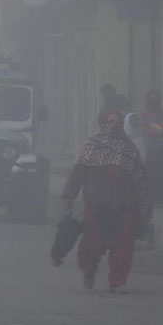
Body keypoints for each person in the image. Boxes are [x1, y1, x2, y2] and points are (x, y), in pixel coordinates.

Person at [62, 111, 146, 293]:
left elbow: (139, 180)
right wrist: (69, 196)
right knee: (91, 245)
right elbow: (78, 173)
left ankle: (117, 282)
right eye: (110, 122)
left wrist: (142, 207)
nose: (113, 126)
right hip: (97, 206)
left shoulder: (130, 149)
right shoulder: (91, 146)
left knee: (123, 247)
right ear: (102, 123)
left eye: (116, 122)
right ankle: (89, 271)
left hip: (124, 207)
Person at [141, 89, 163, 209]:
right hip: (149, 149)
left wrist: (158, 130)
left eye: (155, 98)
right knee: (150, 174)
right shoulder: (143, 115)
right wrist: (156, 130)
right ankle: (151, 198)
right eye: (151, 98)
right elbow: (142, 130)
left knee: (162, 173)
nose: (153, 101)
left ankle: (162, 199)